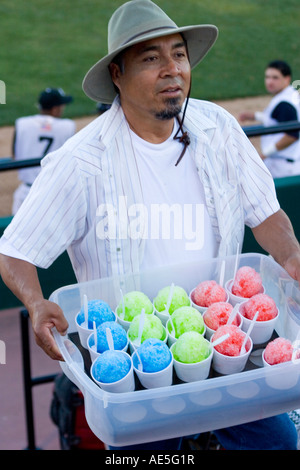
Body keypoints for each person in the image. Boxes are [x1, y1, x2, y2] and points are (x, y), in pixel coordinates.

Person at [0, 0, 299, 450]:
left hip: (223, 336)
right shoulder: (80, 163)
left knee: (277, 445)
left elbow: (268, 215)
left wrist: (293, 255)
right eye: (151, 58)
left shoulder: (218, 128)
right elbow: (15, 253)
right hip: (134, 356)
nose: (172, 69)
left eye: (178, 54)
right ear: (117, 75)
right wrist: (36, 302)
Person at [11, 87, 75, 214]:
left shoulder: (21, 123)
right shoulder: (68, 126)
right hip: (53, 194)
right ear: (55, 109)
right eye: (62, 106)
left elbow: (14, 155)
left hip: (25, 194)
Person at [239, 60, 300, 178]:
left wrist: (265, 154)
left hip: (281, 167)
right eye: (267, 77)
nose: (270, 82)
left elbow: (292, 135)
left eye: (275, 78)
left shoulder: (284, 103)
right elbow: (278, 120)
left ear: (287, 79)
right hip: (288, 163)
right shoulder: (290, 95)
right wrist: (254, 116)